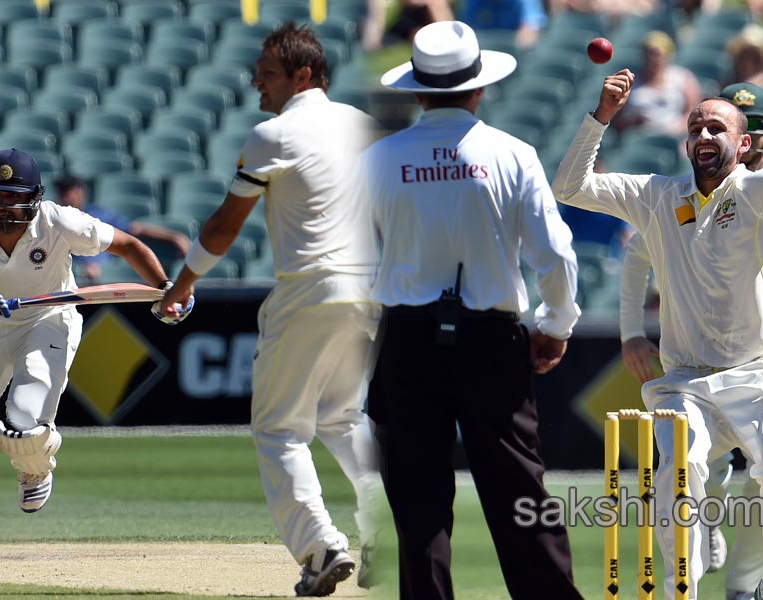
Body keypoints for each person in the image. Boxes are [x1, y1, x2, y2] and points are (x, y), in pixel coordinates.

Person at [553, 68, 763, 600]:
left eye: (717, 129)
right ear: (686, 142)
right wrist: (601, 117)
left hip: (758, 374)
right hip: (684, 381)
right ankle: (678, 593)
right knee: (677, 477)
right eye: (695, 128)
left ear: (745, 143)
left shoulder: (762, 190)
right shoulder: (656, 196)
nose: (704, 136)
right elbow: (569, 186)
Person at [159, 23, 384, 597]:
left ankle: (320, 547)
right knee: (342, 417)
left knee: (279, 428)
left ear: (303, 75)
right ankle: (392, 528)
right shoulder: (363, 125)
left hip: (310, 289)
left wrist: (183, 284)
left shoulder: (272, 135)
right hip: (371, 291)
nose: (256, 81)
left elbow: (222, 227)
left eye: (268, 73)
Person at [363, 21, 584, 599]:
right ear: (480, 88)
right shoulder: (511, 154)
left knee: (418, 501)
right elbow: (555, 254)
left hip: (408, 339)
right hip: (492, 339)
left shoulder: (379, 158)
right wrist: (554, 325)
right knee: (521, 493)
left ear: (416, 90)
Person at [0, 148, 192, 564]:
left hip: (48, 320)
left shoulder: (59, 221)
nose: (2, 206)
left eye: (11, 197)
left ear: (33, 198)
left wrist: (167, 288)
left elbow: (127, 245)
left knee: (23, 420)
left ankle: (35, 466)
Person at [54, 174, 191, 285]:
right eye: (61, 192)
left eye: (68, 191)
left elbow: (134, 229)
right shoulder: (56, 218)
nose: (64, 196)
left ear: (80, 191)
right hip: (71, 277)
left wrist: (174, 237)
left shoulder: (98, 214)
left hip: (103, 277)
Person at [612, 30, 703, 138]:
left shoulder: (683, 78)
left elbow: (693, 113)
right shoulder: (630, 79)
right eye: (647, 53)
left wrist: (675, 128)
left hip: (673, 137)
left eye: (656, 54)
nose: (651, 58)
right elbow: (615, 116)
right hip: (637, 136)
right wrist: (632, 121)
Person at [462, 0, 548, 50]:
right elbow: (467, 34)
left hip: (516, 62)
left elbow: (531, 31)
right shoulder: (474, 2)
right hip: (485, 60)